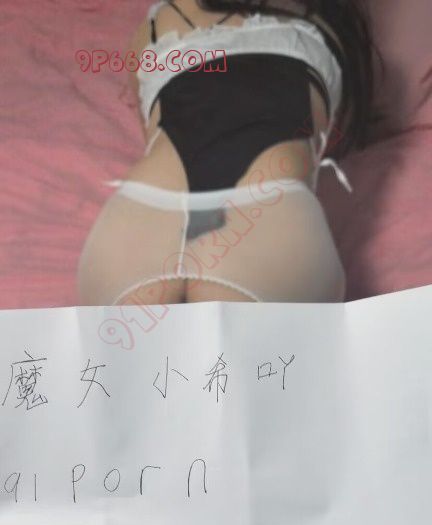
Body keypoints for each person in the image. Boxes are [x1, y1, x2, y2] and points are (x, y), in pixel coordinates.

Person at [77, 0, 378, 308]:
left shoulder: (155, 28)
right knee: (245, 338)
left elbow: (151, 133)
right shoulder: (328, 26)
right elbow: (336, 134)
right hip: (267, 202)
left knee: (136, 338)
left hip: (149, 203)